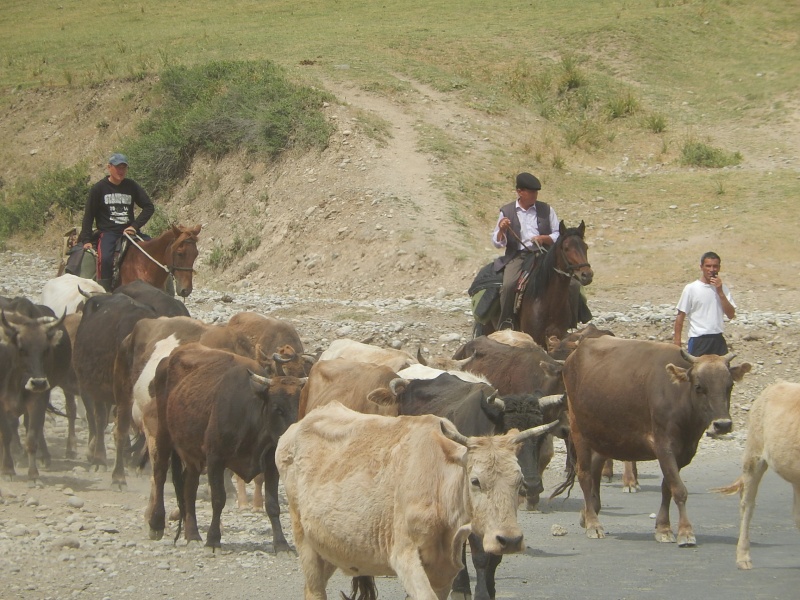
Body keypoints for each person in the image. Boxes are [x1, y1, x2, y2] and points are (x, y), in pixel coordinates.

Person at [491, 172, 560, 330]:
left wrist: (544, 238)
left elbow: (558, 234)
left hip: (544, 254)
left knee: (570, 282)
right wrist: (502, 230)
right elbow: (497, 242)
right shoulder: (506, 211)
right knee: (509, 285)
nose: (535, 195)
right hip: (519, 256)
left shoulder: (547, 209)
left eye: (536, 192)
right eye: (531, 192)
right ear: (520, 192)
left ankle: (572, 317)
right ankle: (506, 322)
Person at [78, 153, 154, 291]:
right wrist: (86, 239)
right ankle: (104, 291)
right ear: (109, 167)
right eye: (118, 168)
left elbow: (149, 207)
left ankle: (165, 291)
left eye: (124, 168)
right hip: (109, 232)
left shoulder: (131, 186)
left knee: (153, 250)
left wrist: (135, 226)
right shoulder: (99, 189)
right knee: (105, 258)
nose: (121, 171)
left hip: (129, 232)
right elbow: (89, 215)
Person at [673, 251, 736, 356]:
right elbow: (680, 317)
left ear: (719, 268)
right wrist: (677, 344)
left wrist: (720, 292)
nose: (711, 270)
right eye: (708, 266)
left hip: (718, 339)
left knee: (723, 371)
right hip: (698, 340)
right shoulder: (691, 289)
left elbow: (731, 314)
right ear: (701, 267)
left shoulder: (723, 289)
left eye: (715, 266)